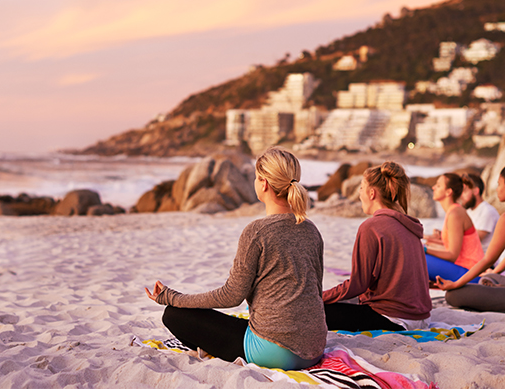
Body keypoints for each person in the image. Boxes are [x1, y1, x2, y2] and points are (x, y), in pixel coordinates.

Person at [144, 147, 326, 371]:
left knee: (173, 316)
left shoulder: (257, 231)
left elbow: (231, 296)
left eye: (256, 177)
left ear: (264, 184)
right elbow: (316, 289)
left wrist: (172, 297)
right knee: (240, 323)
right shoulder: (312, 230)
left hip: (276, 352)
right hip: (315, 349)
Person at [323, 162, 431, 332]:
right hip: (421, 318)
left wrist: (319, 297)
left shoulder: (371, 227)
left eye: (361, 187)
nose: (359, 194)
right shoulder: (409, 224)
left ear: (372, 193)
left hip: (391, 320)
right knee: (343, 301)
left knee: (314, 311)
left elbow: (358, 285)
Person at [437, 155, 505, 312]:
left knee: (452, 295)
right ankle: (494, 285)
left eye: (499, 184)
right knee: (489, 277)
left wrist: (456, 284)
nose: (497, 189)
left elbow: (488, 258)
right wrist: (495, 271)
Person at [422, 173, 484, 283]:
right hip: (462, 268)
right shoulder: (453, 211)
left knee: (419, 258)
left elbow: (452, 255)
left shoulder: (455, 214)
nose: (433, 187)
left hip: (470, 273)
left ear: (448, 192)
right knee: (417, 254)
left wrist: (425, 249)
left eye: (438, 185)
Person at [460, 173, 500, 253]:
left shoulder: (487, 211)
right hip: (468, 258)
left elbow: (473, 240)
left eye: (464, 191)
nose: (461, 196)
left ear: (476, 191)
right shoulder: (468, 211)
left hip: (482, 262)